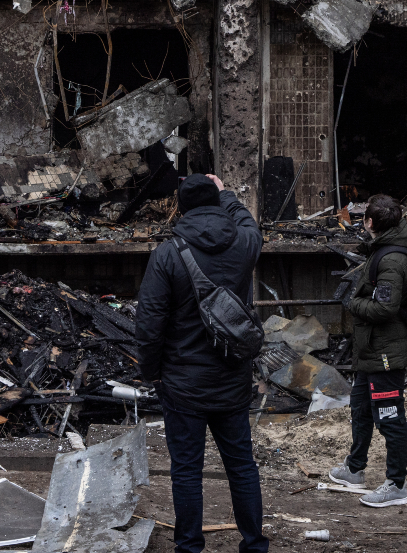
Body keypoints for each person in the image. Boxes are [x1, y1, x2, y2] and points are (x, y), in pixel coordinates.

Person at [135, 173, 267, 553]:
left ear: (181, 206)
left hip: (182, 382)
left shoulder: (168, 253)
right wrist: (226, 193)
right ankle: (255, 545)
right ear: (217, 202)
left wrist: (151, 372)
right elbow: (246, 222)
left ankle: (190, 546)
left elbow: (150, 322)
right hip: (232, 378)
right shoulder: (244, 244)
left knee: (187, 470)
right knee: (241, 466)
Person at [328, 193, 407, 508]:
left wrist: (351, 302)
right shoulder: (385, 248)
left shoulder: (392, 258)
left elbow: (386, 307)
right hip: (372, 350)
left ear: (369, 223)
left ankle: (396, 484)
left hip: (386, 353)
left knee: (390, 417)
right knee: (361, 409)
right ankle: (354, 469)